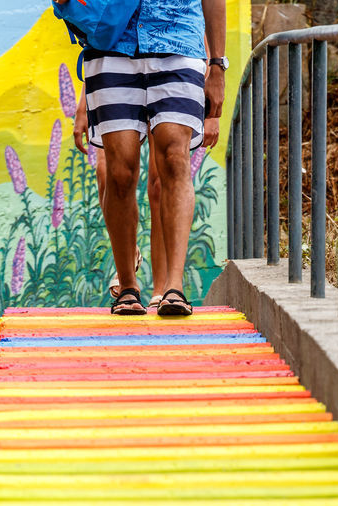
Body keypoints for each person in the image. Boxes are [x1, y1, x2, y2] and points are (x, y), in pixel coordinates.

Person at [58, 0, 227, 316]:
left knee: (174, 160)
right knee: (119, 173)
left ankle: (173, 288)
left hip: (178, 40)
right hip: (111, 49)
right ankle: (128, 287)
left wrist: (217, 65)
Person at [74, 77, 220, 310]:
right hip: (118, 64)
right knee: (107, 171)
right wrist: (83, 102)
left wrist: (212, 112)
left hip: (170, 60)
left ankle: (162, 289)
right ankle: (129, 252)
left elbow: (206, 43)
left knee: (160, 182)